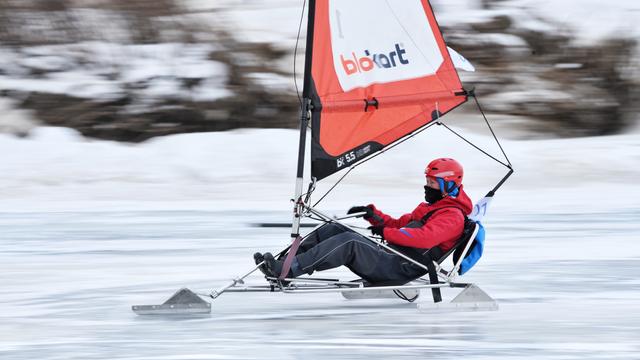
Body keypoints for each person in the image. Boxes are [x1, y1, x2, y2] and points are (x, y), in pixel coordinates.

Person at [254, 158, 473, 284]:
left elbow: (424, 239)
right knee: (335, 228)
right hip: (390, 255)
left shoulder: (452, 216)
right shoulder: (432, 208)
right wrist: (374, 215)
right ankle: (283, 263)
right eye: (427, 181)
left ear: (449, 184)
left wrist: (385, 233)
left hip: (400, 267)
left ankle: (287, 271)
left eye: (433, 183)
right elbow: (400, 224)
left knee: (350, 242)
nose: (427, 187)